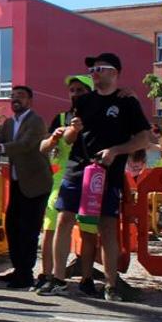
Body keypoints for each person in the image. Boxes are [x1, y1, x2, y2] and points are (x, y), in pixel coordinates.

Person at [51, 53, 152, 301]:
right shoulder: (83, 102)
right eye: (92, 69)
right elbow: (68, 139)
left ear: (114, 73)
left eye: (100, 68)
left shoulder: (127, 102)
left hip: (109, 172)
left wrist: (115, 151)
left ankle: (111, 285)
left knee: (107, 226)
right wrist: (74, 130)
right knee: (64, 219)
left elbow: (143, 139)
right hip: (77, 168)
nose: (94, 73)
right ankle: (57, 279)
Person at [0, 85, 51, 290]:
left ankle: (26, 274)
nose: (15, 99)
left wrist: (0, 148)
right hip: (18, 183)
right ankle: (19, 268)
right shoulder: (8, 123)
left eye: (21, 96)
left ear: (30, 100)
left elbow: (26, 145)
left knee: (29, 230)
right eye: (13, 96)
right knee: (13, 227)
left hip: (36, 184)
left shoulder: (36, 121)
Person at [36, 74, 91, 292]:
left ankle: (87, 280)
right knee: (51, 229)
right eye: (73, 90)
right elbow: (43, 148)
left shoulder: (96, 116)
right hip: (60, 181)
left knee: (88, 232)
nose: (76, 94)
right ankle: (48, 275)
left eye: (81, 90)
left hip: (89, 178)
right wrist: (53, 139)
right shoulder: (60, 117)